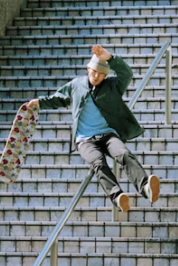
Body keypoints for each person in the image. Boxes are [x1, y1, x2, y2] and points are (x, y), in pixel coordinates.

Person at [26, 45, 160, 213]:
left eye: (101, 74)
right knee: (98, 162)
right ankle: (118, 197)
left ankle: (146, 187)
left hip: (108, 134)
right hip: (84, 140)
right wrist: (39, 102)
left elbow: (127, 74)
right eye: (94, 71)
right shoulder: (76, 85)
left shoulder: (112, 86)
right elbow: (58, 99)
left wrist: (110, 58)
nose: (96, 76)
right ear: (88, 68)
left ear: (106, 75)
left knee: (123, 153)